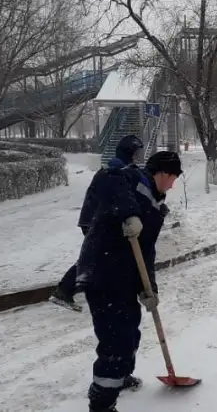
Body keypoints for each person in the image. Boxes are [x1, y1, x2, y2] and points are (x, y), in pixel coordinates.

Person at [77, 150, 182, 412]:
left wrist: (150, 289)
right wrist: (129, 213)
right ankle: (102, 402)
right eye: (172, 177)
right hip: (103, 274)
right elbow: (106, 179)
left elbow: (146, 251)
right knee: (116, 341)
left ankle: (119, 377)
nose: (173, 183)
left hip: (122, 276)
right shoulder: (131, 179)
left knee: (129, 330)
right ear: (161, 173)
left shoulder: (155, 205)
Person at [49, 135, 145, 312]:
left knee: (97, 256)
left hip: (95, 219)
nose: (137, 157)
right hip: (94, 221)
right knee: (95, 257)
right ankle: (65, 290)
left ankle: (72, 288)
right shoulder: (115, 169)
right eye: (136, 153)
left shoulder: (118, 167)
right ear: (129, 153)